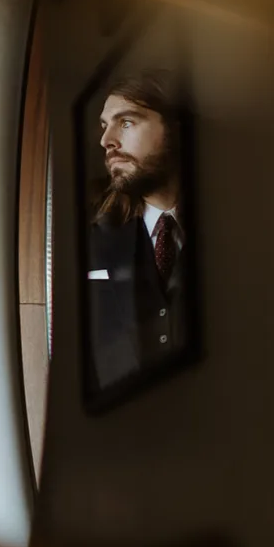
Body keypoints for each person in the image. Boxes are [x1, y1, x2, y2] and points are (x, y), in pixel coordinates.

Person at [86, 68, 194, 392]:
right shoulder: (90, 242)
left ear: (174, 129)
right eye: (105, 126)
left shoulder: (232, 225)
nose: (106, 141)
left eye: (126, 122)